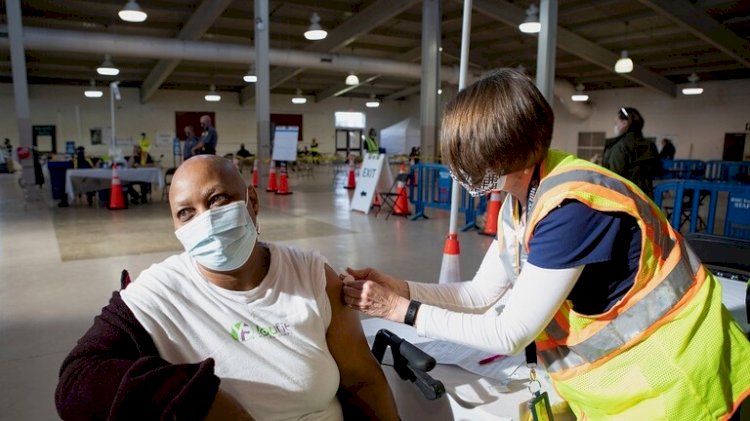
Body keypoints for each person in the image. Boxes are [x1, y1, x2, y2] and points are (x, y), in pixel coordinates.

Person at [341, 68, 750, 420]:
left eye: (471, 159)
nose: (462, 171)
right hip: (624, 388)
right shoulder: (524, 199)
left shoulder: (572, 209)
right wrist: (400, 289)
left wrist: (399, 310)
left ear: (506, 152)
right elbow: (479, 294)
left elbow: (509, 333)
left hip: (676, 383)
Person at [55, 155, 399, 421]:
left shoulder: (310, 275)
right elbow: (76, 382)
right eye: (186, 213)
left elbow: (362, 382)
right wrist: (198, 399)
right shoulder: (160, 293)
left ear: (252, 202)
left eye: (217, 199)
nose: (205, 220)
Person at [602, 107, 660, 197]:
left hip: (624, 197)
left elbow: (613, 175)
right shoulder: (650, 144)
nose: (615, 126)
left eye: (616, 123)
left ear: (625, 123)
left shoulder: (620, 146)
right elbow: (656, 169)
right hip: (646, 197)